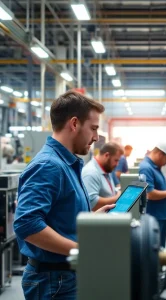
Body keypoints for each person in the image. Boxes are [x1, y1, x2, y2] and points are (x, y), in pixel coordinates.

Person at [14, 91, 115, 300]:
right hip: (54, 280)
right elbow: (27, 223)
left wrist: (90, 218)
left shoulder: (67, 163)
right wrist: (81, 250)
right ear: (75, 123)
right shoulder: (49, 165)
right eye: (94, 128)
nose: (96, 137)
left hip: (63, 276)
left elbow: (60, 214)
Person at [139, 143, 166, 249]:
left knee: (160, 249)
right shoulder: (146, 168)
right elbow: (149, 194)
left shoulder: (155, 167)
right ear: (160, 154)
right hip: (153, 217)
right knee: (155, 251)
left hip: (160, 216)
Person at [82, 142, 123, 211]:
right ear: (107, 155)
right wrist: (117, 198)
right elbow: (92, 203)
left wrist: (117, 192)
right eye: (116, 160)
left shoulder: (106, 168)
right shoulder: (91, 172)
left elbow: (108, 192)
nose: (117, 164)